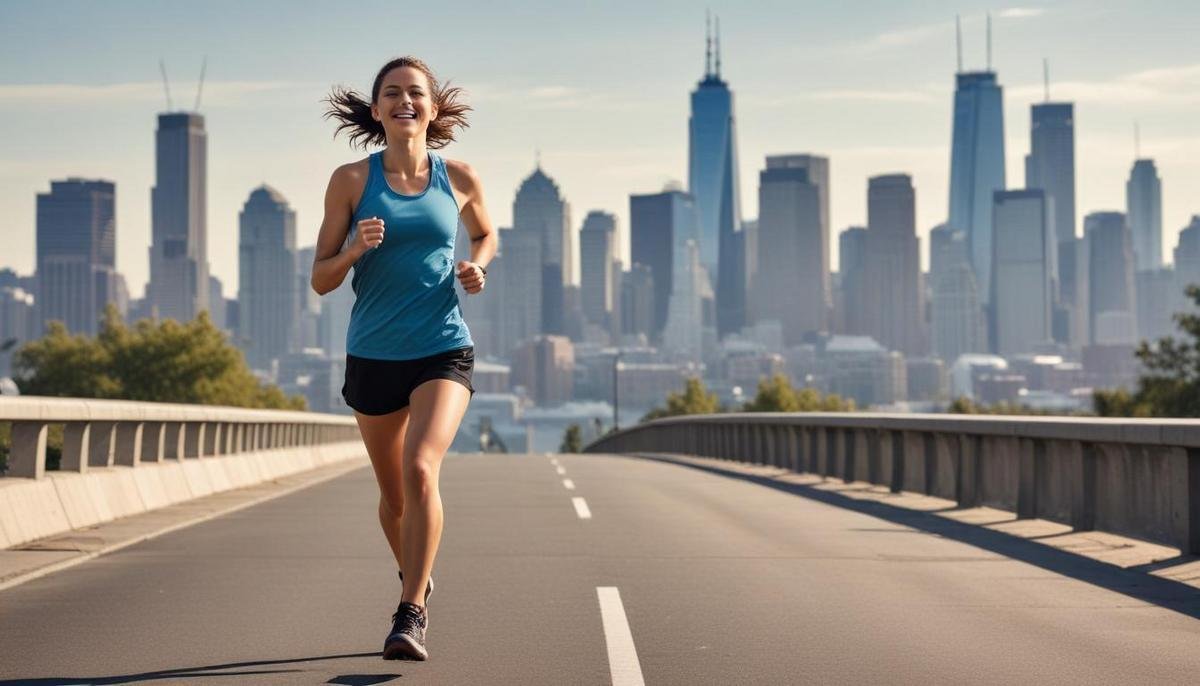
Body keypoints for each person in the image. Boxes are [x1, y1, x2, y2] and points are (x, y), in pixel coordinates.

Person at [311, 56, 497, 661]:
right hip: (373, 354)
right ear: (376, 111)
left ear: (433, 108)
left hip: (442, 347)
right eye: (391, 94)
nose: (404, 101)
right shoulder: (350, 181)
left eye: (415, 93)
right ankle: (416, 571)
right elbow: (319, 280)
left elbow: (486, 234)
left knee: (421, 469)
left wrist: (477, 267)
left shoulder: (460, 177)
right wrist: (354, 251)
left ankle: (409, 611)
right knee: (394, 499)